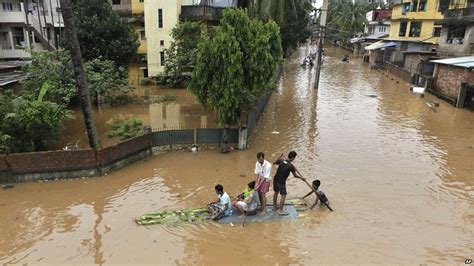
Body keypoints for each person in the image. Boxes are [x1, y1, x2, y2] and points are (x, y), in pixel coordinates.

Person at [273, 151, 304, 216]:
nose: (294, 159)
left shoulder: (281, 161)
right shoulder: (291, 166)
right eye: (294, 158)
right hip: (281, 182)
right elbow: (295, 176)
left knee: (276, 192)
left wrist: (279, 157)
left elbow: (274, 162)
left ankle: (275, 207)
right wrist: (302, 178)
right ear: (292, 157)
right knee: (283, 195)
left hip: (275, 179)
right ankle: (280, 211)